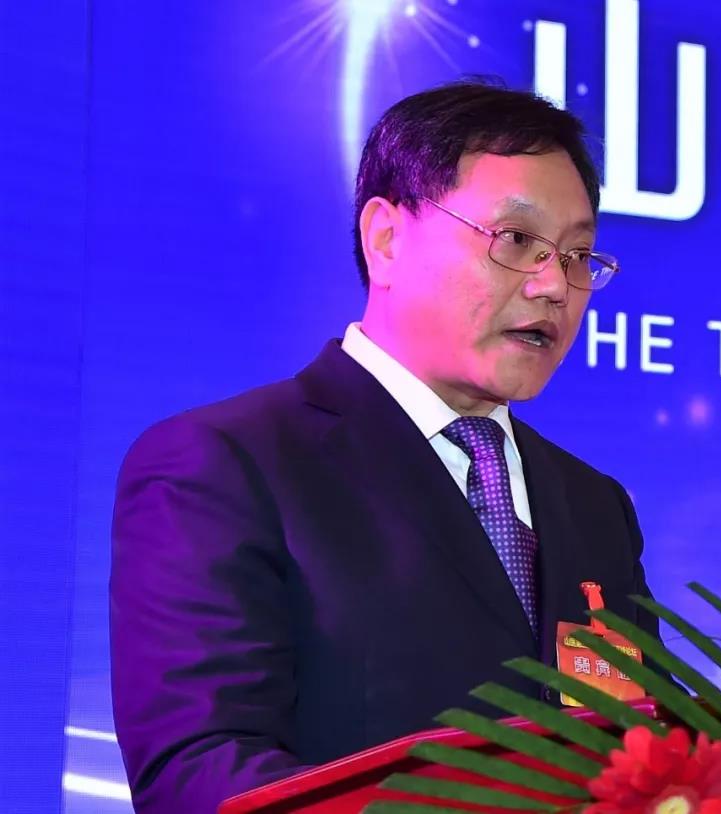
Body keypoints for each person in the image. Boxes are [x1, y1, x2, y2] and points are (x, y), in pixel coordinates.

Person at [110, 80, 660, 813]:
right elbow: (202, 770)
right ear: (387, 238)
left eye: (578, 255)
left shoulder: (594, 506)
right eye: (516, 241)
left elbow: (649, 757)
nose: (555, 285)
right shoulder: (224, 465)